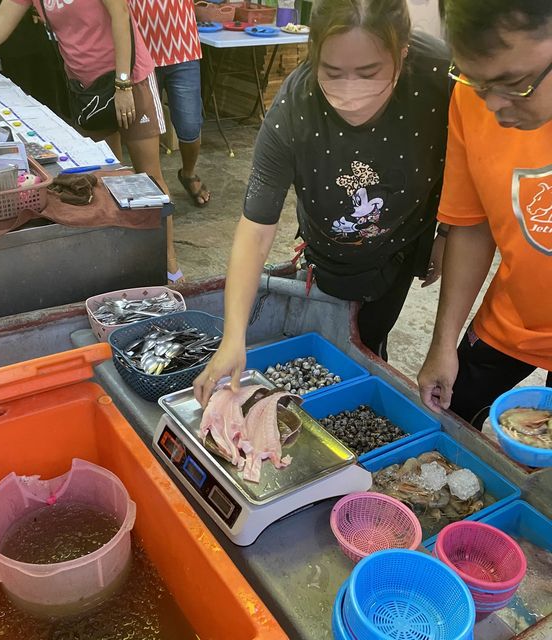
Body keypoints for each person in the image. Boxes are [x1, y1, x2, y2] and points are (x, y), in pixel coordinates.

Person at [194, 0, 451, 405]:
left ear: (403, 53)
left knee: (373, 335)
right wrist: (233, 337)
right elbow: (256, 230)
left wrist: (447, 229)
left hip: (403, 240)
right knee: (340, 337)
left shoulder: (441, 77)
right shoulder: (292, 111)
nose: (349, 93)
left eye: (369, 74)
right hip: (329, 248)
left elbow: (473, 166)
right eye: (332, 73)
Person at [0, 0, 184, 285]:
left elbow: (121, 14)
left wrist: (123, 83)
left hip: (130, 79)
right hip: (86, 88)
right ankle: (127, 262)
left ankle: (169, 262)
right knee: (108, 178)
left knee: (148, 178)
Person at [418, 0, 552, 428]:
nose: (494, 105)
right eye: (478, 81)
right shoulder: (472, 101)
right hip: (517, 316)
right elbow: (472, 224)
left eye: (515, 83)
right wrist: (443, 343)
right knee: (447, 421)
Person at [129, 0, 211, 211]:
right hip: (139, 54)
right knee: (144, 130)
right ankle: (153, 189)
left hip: (183, 48)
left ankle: (188, 173)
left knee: (190, 126)